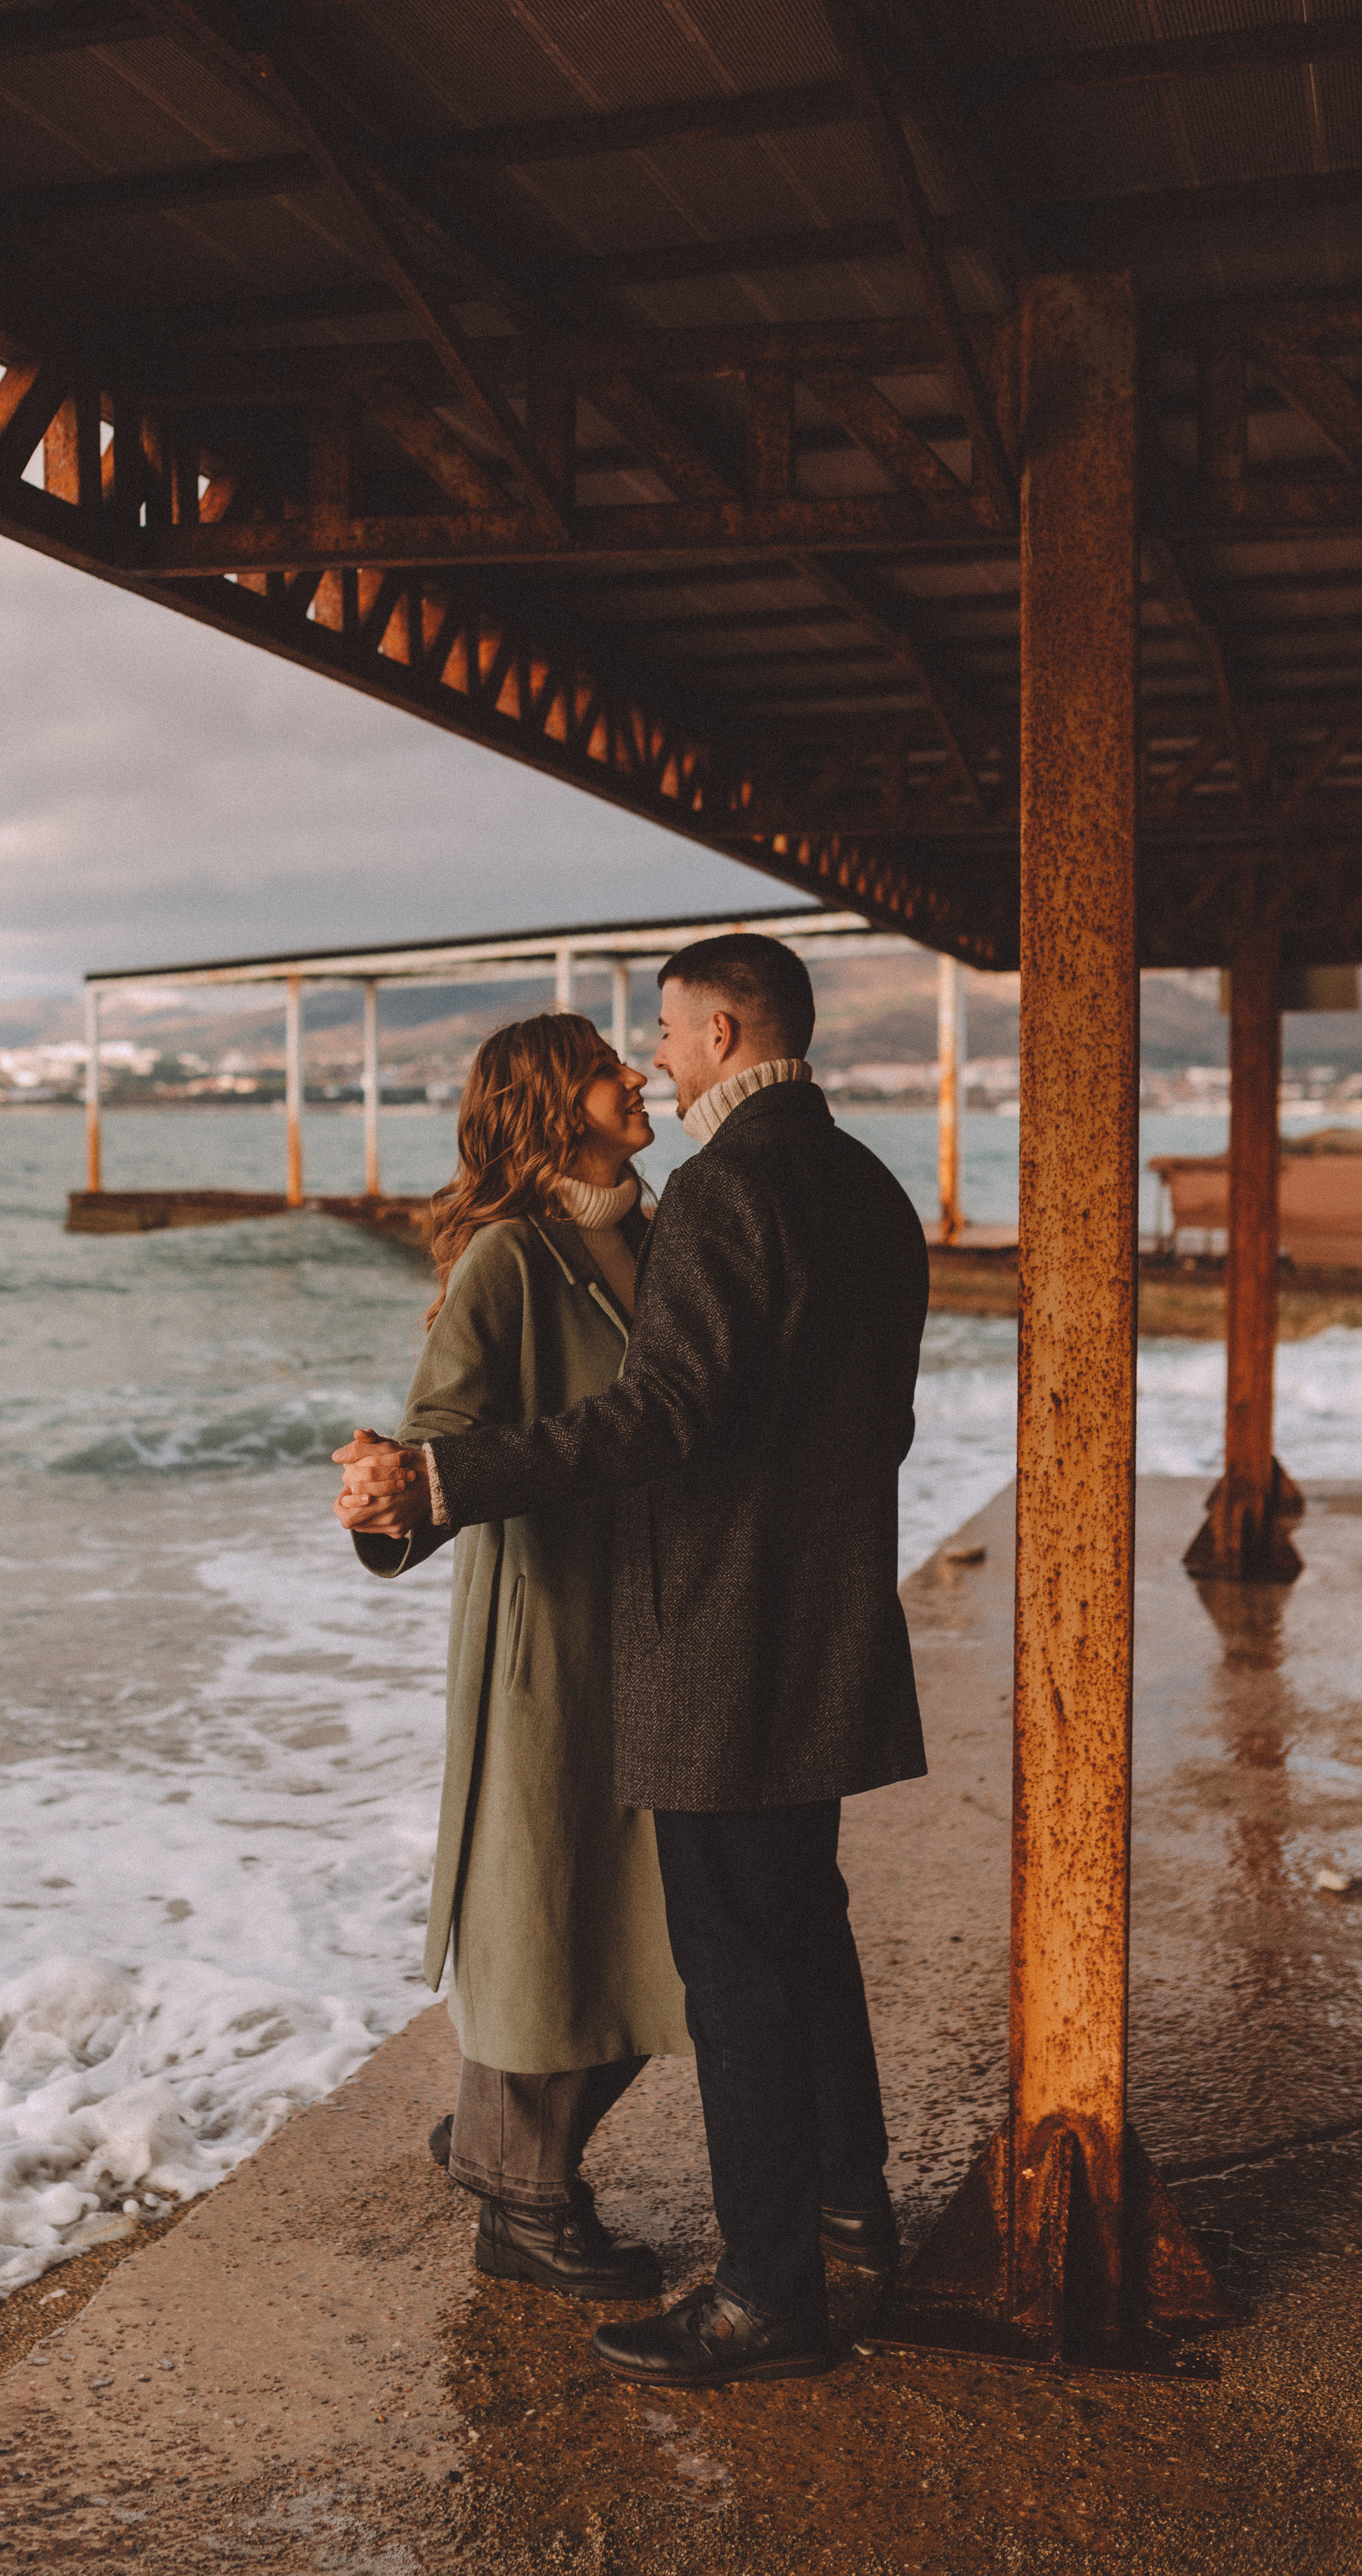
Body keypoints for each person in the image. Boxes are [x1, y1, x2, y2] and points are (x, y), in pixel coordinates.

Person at [336, 933, 929, 2388]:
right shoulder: (866, 1185)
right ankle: (841, 2210)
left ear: (721, 1031)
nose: (649, 1059)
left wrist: (440, 1479)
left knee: (732, 1962)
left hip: (716, 1636)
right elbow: (865, 1425)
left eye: (660, 1033)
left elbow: (663, 1417)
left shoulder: (716, 1196)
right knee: (784, 1927)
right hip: (803, 1620)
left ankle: (766, 2289)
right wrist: (413, 1489)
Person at [346, 1010, 692, 2303]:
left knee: (666, 1924)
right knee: (547, 1911)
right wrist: (387, 1497)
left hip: (671, 1616)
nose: (640, 1074)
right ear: (559, 1101)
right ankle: (525, 2198)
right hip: (549, 1629)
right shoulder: (510, 1256)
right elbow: (441, 1440)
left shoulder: (665, 1236)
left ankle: (496, 2144)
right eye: (613, 1065)